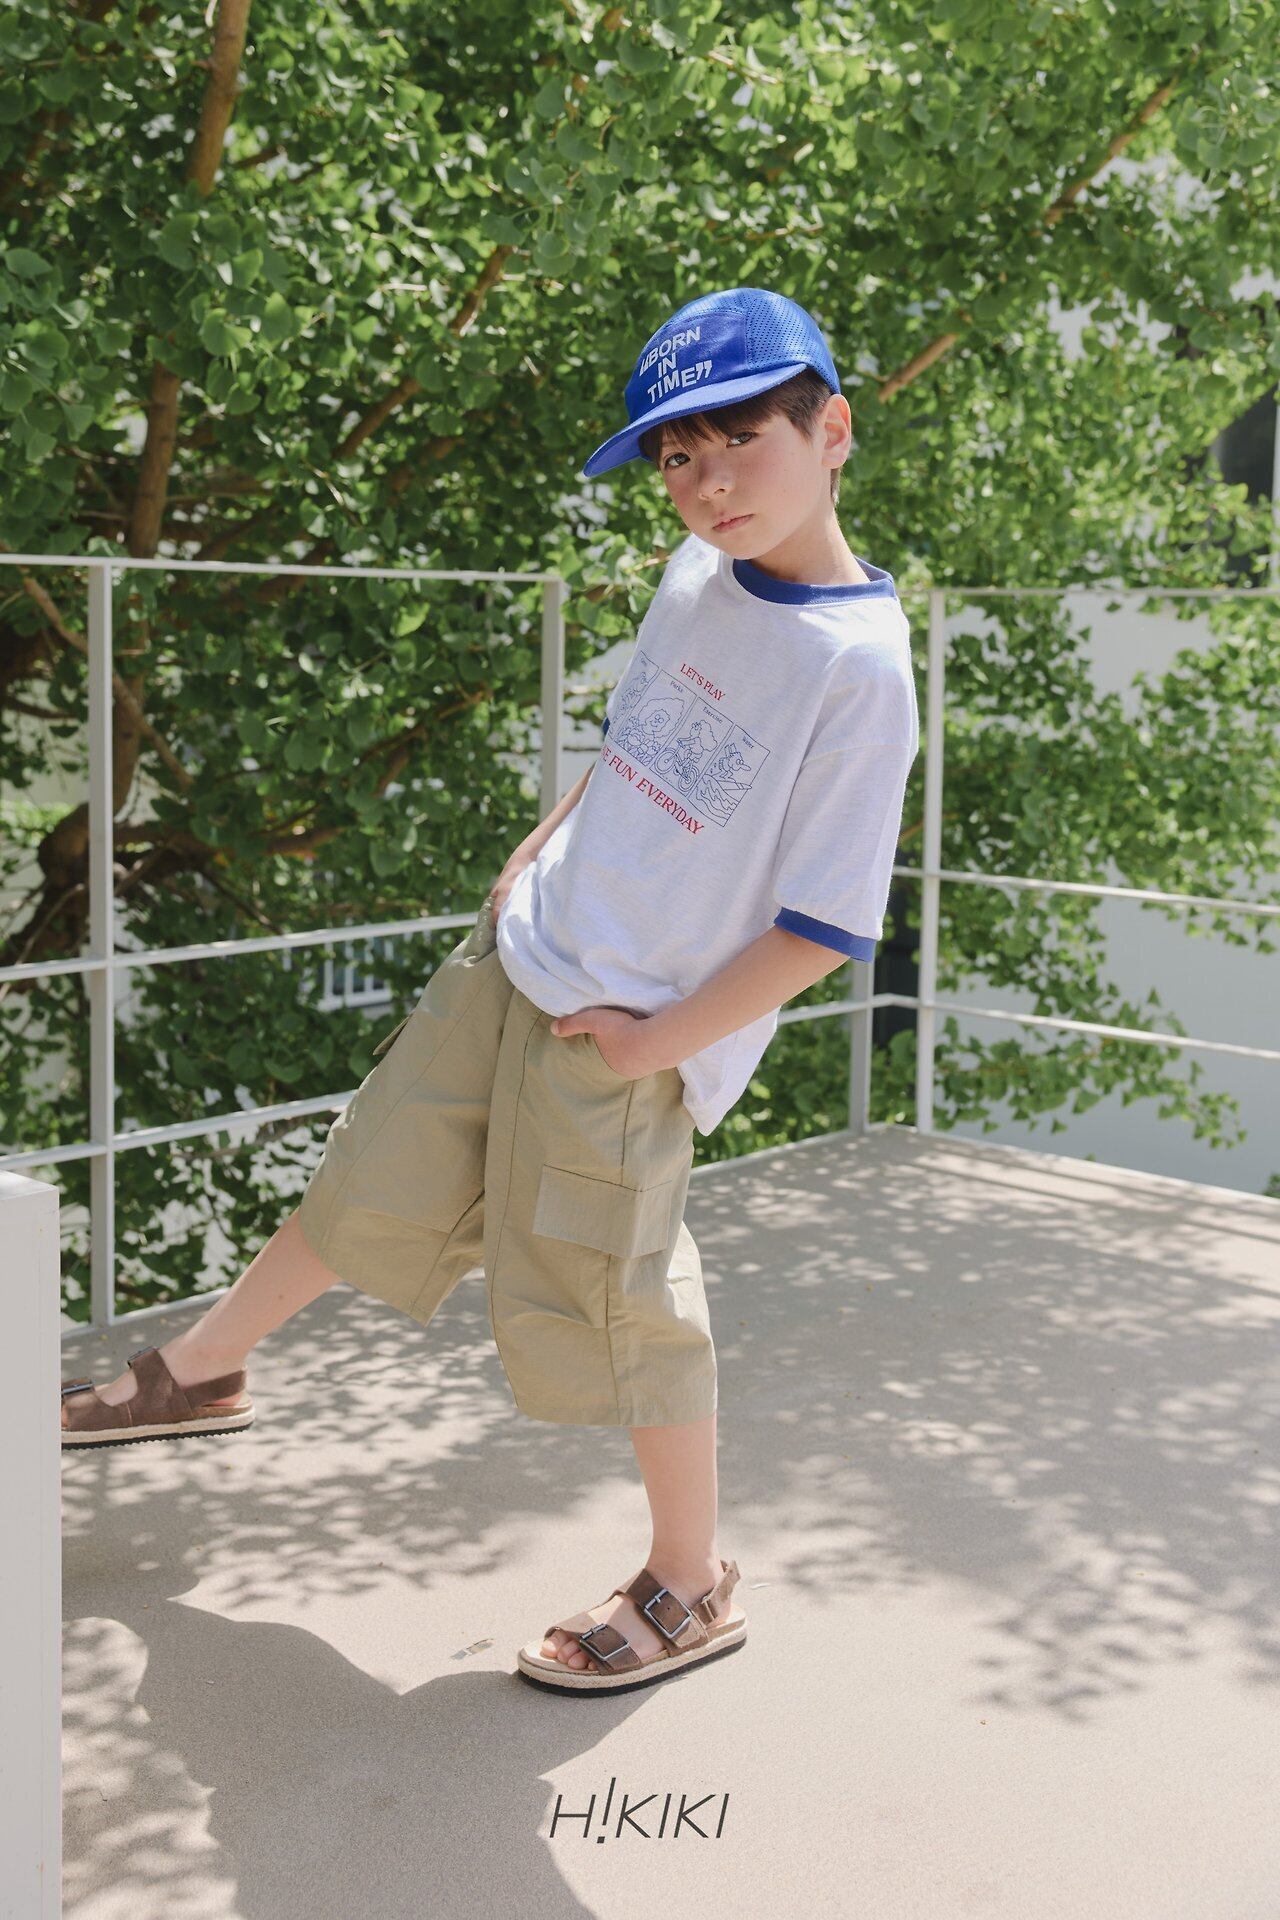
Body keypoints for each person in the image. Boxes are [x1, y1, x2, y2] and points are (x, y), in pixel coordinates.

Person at [61, 287, 920, 1696]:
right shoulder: (694, 571)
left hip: (627, 1034)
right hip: (526, 952)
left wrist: (653, 1045)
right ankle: (201, 1372)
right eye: (678, 457)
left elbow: (822, 927)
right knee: (373, 1171)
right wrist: (542, 843)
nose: (708, 484)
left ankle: (692, 1581)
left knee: (625, 1302)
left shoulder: (858, 668)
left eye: (740, 441)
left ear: (832, 431)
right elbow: (638, 733)